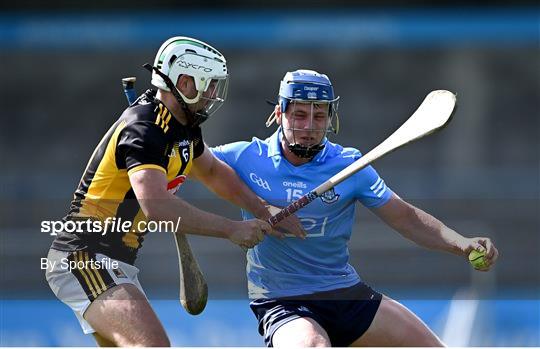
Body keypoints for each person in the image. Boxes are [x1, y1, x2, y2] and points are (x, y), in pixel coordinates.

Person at [44, 37, 305, 347]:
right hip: (84, 255)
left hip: (117, 259)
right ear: (184, 82)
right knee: (153, 344)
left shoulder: (182, 127)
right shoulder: (144, 128)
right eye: (208, 86)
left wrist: (263, 209)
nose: (212, 96)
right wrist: (231, 229)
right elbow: (157, 205)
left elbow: (211, 171)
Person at [211, 69, 499, 347]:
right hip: (282, 300)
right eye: (299, 114)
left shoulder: (351, 165)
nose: (309, 126)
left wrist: (460, 243)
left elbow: (406, 218)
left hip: (344, 293)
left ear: (330, 119)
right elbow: (190, 162)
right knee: (311, 345)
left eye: (319, 115)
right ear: (278, 114)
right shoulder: (245, 157)